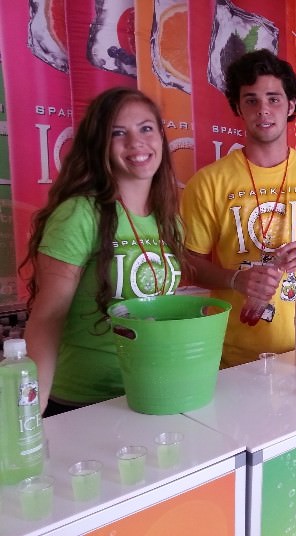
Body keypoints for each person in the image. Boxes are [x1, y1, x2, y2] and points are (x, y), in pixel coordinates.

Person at [181, 50, 296, 367]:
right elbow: (188, 265)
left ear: (291, 105)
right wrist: (236, 279)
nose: (263, 110)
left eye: (274, 99)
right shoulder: (208, 182)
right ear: (237, 107)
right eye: (251, 100)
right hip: (232, 355)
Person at [21, 88, 185, 417]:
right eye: (118, 133)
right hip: (82, 405)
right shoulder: (79, 214)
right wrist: (30, 416)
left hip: (148, 396)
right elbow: (47, 318)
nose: (136, 142)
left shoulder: (169, 220)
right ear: (100, 145)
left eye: (146, 128)